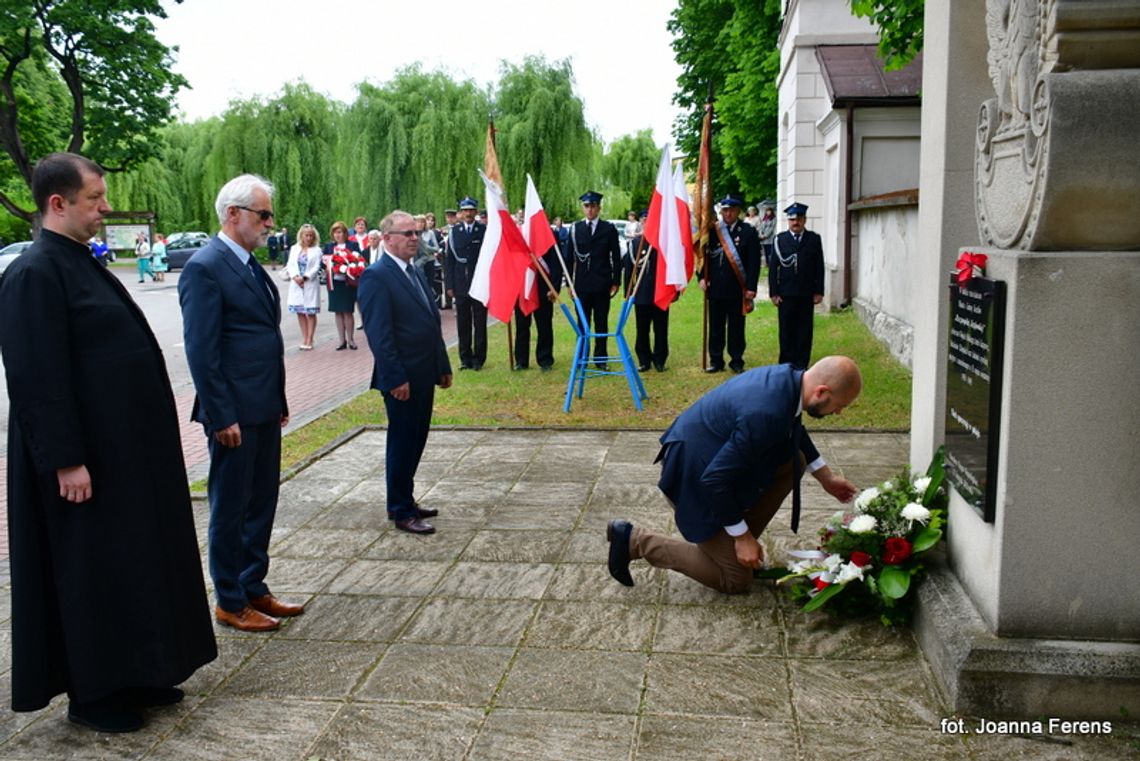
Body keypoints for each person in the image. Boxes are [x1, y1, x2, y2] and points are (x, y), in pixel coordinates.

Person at [0, 152, 216, 733]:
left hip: (123, 458)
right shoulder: (34, 273)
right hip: (82, 462)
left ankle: (141, 670)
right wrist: (66, 460)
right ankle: (94, 694)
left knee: (131, 563)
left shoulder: (79, 261)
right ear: (58, 203)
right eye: (95, 198)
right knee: (89, 572)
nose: (106, 207)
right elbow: (36, 377)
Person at [605, 356, 862, 594]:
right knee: (735, 580)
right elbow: (714, 480)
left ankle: (733, 543)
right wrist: (741, 537)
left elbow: (793, 429)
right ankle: (635, 540)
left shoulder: (791, 380)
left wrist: (826, 477)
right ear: (821, 392)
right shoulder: (767, 412)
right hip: (692, 478)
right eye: (840, 406)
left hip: (709, 459)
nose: (838, 413)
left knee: (794, 461)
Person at [179, 173, 304, 633]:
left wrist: (278, 398)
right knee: (231, 507)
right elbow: (202, 350)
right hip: (232, 413)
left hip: (262, 406)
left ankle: (254, 585)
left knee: (261, 502)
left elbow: (263, 340)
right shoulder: (205, 266)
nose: (270, 223)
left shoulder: (250, 265)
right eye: (263, 214)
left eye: (270, 214)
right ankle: (230, 599)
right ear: (233, 214)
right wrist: (220, 413)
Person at [358, 210, 453, 534]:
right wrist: (396, 377)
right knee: (402, 442)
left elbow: (430, 322)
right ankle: (400, 509)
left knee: (416, 439)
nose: (415, 238)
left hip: (425, 372)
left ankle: (405, 498)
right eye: (407, 234)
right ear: (387, 239)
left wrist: (442, 366)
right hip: (402, 378)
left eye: (416, 232)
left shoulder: (414, 271)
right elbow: (380, 335)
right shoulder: (377, 276)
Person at [702, 196, 761, 374]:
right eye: (725, 210)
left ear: (738, 211)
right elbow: (703, 257)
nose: (728, 213)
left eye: (732, 210)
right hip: (716, 288)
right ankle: (716, 360)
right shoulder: (712, 232)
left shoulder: (748, 232)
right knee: (716, 327)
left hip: (737, 289)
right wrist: (701, 277)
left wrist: (751, 287)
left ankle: (736, 360)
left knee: (736, 327)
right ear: (721, 212)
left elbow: (754, 262)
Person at [564, 191, 622, 369]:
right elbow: (568, 258)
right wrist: (568, 284)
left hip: (602, 283)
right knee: (583, 323)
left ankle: (601, 359)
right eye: (587, 206)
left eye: (593, 206)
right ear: (583, 207)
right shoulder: (575, 229)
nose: (590, 210)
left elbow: (616, 256)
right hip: (581, 285)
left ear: (599, 207)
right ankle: (582, 357)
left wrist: (616, 281)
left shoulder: (608, 228)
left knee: (601, 322)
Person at [770, 202, 825, 369]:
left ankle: (802, 363)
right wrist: (774, 292)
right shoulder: (780, 240)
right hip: (786, 293)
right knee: (786, 329)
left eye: (799, 219)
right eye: (792, 219)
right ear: (788, 221)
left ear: (804, 220)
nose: (796, 222)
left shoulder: (814, 239)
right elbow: (774, 268)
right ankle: (786, 363)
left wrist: (819, 291)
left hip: (806, 292)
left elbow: (819, 267)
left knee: (804, 330)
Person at [623, 212, 671, 372]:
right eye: (645, 220)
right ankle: (644, 359)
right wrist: (628, 293)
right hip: (641, 292)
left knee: (661, 328)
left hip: (660, 293)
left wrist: (673, 291)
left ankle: (660, 359)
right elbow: (629, 271)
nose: (648, 223)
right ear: (642, 223)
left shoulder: (664, 243)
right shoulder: (635, 244)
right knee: (642, 329)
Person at [444, 196, 488, 370]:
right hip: (460, 282)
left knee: (479, 322)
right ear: (461, 213)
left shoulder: (483, 230)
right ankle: (465, 359)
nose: (468, 213)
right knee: (463, 323)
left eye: (471, 210)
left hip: (479, 282)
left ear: (476, 212)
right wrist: (449, 285)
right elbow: (449, 261)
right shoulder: (454, 232)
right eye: (465, 210)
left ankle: (479, 359)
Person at [512, 239, 562, 371]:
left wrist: (554, 287)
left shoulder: (546, 233)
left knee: (544, 325)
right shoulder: (517, 234)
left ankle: (545, 359)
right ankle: (521, 361)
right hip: (523, 287)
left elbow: (556, 263)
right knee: (521, 325)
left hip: (543, 287)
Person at [323, 220, 366, 351]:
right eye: (335, 232)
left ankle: (351, 339)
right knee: (338, 312)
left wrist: (348, 266)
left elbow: (359, 259)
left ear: (345, 233)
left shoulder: (352, 245)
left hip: (348, 283)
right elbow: (323, 263)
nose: (338, 235)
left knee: (348, 311)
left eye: (340, 232)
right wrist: (330, 265)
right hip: (334, 283)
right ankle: (341, 340)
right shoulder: (329, 247)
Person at [285, 223, 322, 350]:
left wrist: (305, 277)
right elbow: (290, 264)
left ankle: (310, 338)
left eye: (311, 236)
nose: (309, 238)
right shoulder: (294, 248)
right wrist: (295, 277)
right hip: (296, 283)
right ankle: (304, 337)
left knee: (310, 312)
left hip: (309, 283)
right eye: (307, 235)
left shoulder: (317, 250)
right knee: (300, 312)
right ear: (301, 235)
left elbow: (316, 266)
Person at [757, 200, 777, 269]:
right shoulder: (764, 219)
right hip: (763, 239)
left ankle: (770, 263)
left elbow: (771, 229)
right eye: (767, 211)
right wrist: (760, 234)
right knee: (765, 252)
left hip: (769, 238)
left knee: (770, 251)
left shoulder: (773, 219)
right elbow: (761, 227)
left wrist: (765, 236)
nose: (768, 212)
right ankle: (767, 263)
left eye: (769, 211)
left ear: (771, 211)